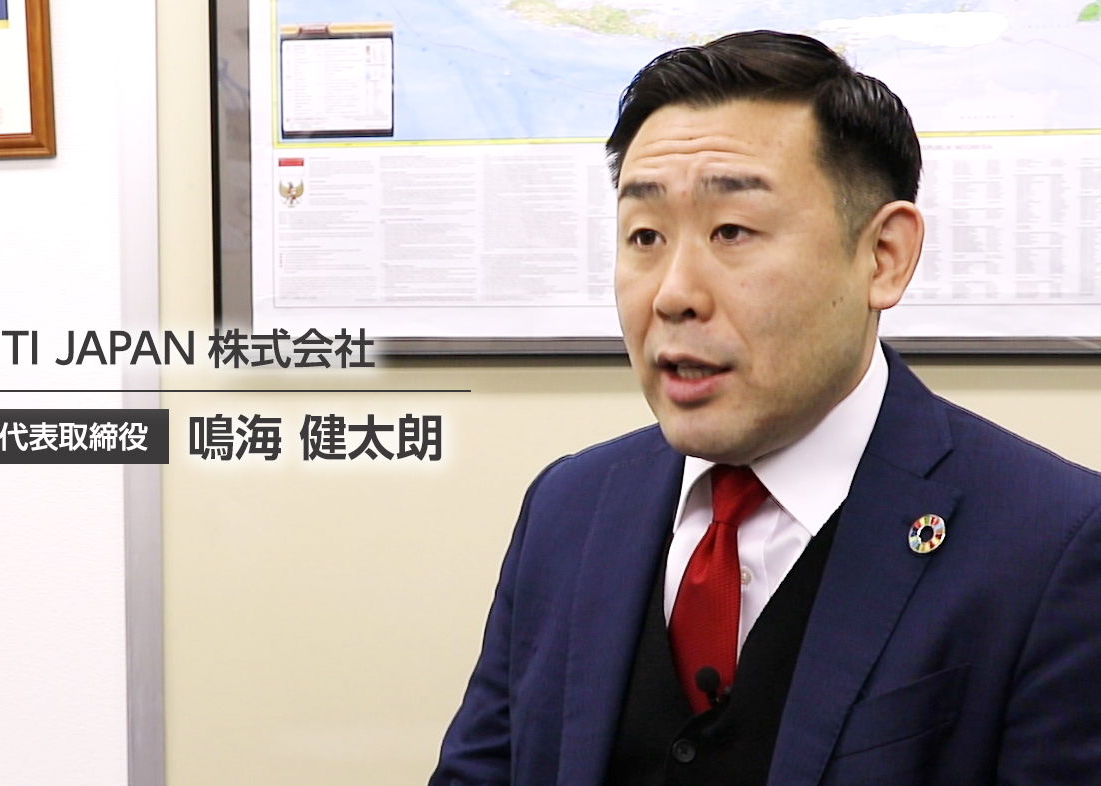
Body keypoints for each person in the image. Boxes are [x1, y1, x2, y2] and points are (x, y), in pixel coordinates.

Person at [430, 31, 1101, 786]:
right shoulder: (568, 508)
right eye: (645, 236)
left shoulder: (1055, 545)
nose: (674, 294)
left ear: (884, 256)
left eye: (732, 232)